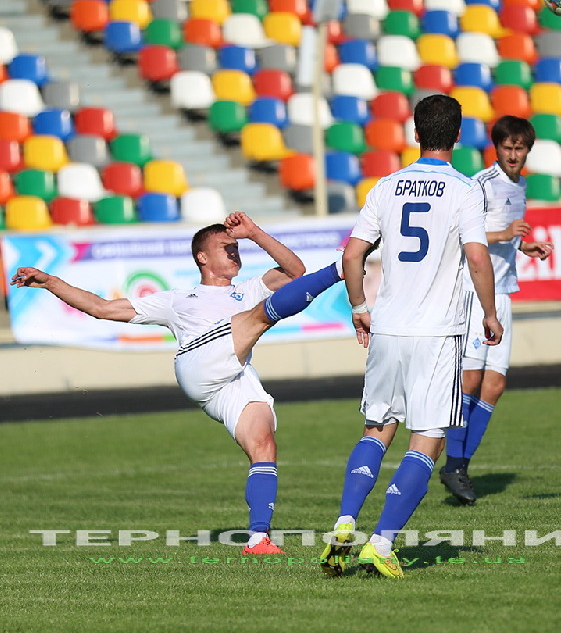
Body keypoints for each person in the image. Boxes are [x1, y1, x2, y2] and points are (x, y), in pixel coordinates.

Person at [10, 211, 344, 555]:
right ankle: (340, 268)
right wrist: (50, 281)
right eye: (226, 247)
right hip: (198, 365)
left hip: (235, 377)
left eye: (237, 247)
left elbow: (295, 272)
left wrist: (255, 232)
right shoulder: (178, 300)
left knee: (264, 445)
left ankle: (258, 539)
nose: (235, 252)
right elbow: (102, 308)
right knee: (259, 316)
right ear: (202, 257)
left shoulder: (248, 289)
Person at [320, 93, 503, 579]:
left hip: (387, 327)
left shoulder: (386, 186)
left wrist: (359, 307)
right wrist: (489, 312)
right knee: (428, 437)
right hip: (436, 334)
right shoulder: (465, 190)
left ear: (416, 133)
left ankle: (344, 523)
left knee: (377, 429)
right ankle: (381, 543)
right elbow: (477, 256)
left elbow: (352, 254)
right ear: (459, 136)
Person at [440, 117, 554, 505]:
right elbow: (460, 234)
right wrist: (505, 234)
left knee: (495, 386)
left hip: (502, 292)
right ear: (497, 148)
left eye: (520, 148)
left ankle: (459, 466)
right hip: (475, 293)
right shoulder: (481, 185)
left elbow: (502, 238)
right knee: (470, 380)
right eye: (507, 147)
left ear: (527, 151)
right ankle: (454, 464)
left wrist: (522, 246)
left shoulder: (520, 186)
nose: (513, 154)